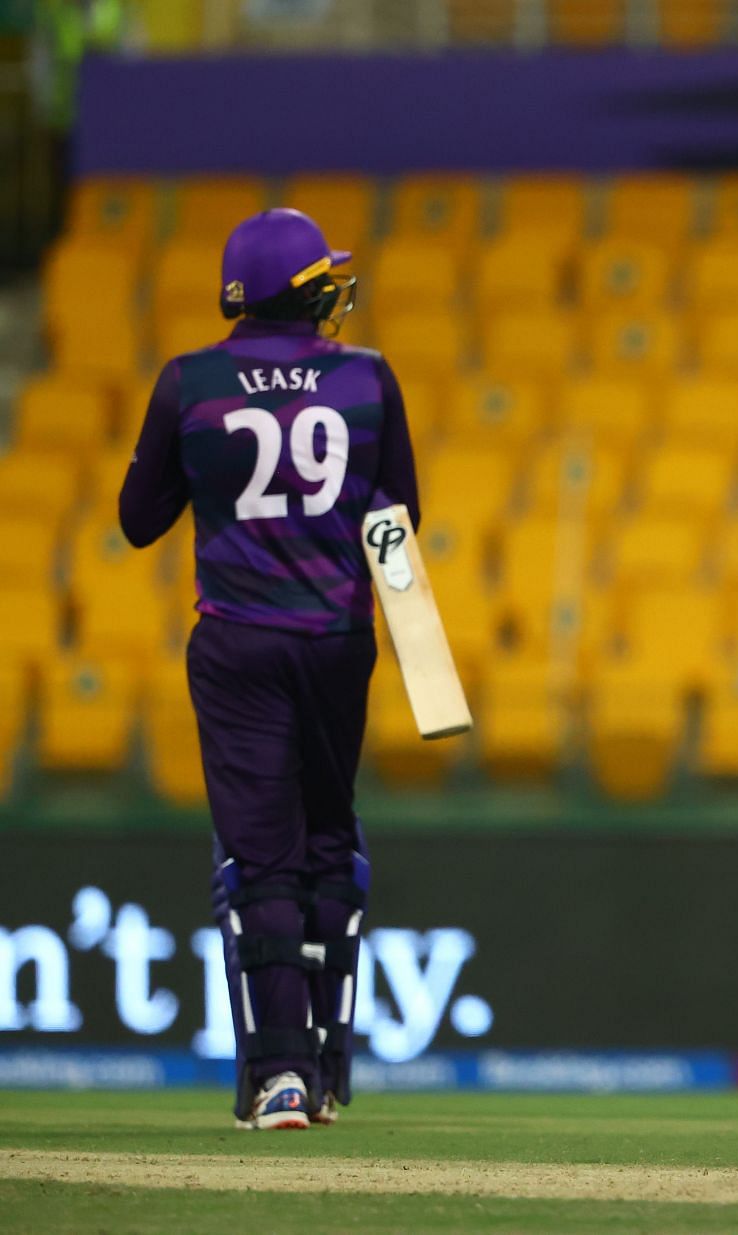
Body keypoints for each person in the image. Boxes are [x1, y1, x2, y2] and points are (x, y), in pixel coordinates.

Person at [119, 207, 417, 1130]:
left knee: (263, 858)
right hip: (339, 640)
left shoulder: (190, 382)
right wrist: (420, 648)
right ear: (300, 289)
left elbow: (138, 518)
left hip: (239, 642)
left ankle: (279, 1075)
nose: (334, 289)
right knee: (331, 843)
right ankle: (327, 1071)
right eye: (323, 278)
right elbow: (396, 520)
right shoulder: (367, 377)